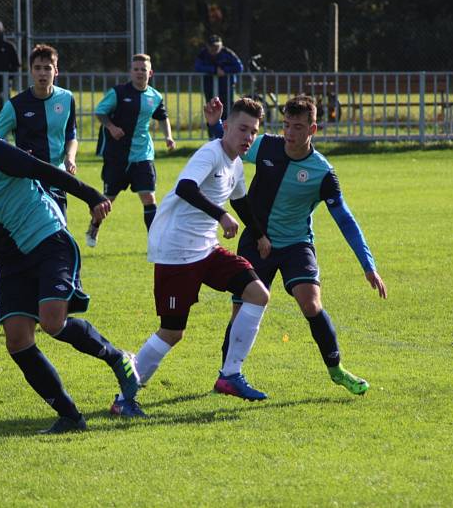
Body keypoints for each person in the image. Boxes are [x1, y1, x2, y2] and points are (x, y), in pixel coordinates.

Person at [0, 100, 140, 434]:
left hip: (47, 237)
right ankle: (70, 417)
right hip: (11, 258)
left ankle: (116, 357)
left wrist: (92, 195)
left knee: (52, 321)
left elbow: (43, 171)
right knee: (17, 340)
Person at [205, 95, 387, 396]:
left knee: (311, 303)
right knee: (240, 312)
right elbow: (227, 146)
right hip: (256, 239)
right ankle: (227, 376)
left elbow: (345, 218)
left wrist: (368, 266)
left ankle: (336, 369)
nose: (290, 133)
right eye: (287, 125)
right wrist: (214, 124)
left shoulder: (322, 172)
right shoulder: (266, 145)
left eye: (298, 127)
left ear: (312, 129)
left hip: (296, 244)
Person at [110, 98, 271, 418]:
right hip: (176, 252)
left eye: (253, 132)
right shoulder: (210, 153)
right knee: (172, 332)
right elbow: (185, 188)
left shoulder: (236, 164)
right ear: (226, 127)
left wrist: (260, 234)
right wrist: (221, 216)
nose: (248, 137)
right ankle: (123, 399)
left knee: (257, 294)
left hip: (205, 249)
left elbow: (241, 203)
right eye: (242, 129)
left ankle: (230, 376)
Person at [0, 44, 78, 271]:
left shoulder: (67, 99)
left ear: (56, 71)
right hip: (27, 181)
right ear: (30, 71)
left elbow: (71, 135)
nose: (43, 73)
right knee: (23, 233)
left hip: (57, 177)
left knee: (58, 231)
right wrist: (14, 158)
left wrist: (70, 157)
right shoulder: (15, 105)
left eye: (48, 68)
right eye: (38, 68)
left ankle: (60, 280)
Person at [86, 53, 175, 248]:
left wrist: (168, 136)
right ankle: (94, 225)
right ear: (130, 72)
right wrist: (111, 127)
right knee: (108, 200)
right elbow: (100, 111)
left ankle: (155, 241)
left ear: (150, 73)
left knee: (149, 196)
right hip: (117, 155)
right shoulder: (118, 92)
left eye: (143, 69)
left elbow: (162, 117)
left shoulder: (155, 96)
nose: (139, 72)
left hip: (143, 154)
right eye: (136, 69)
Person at [194, 35, 243, 132]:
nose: (214, 49)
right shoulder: (203, 54)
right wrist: (214, 70)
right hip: (209, 86)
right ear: (207, 46)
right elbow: (197, 67)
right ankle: (212, 136)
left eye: (216, 47)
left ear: (221, 45)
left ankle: (227, 135)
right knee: (211, 110)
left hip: (226, 87)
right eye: (211, 47)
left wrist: (225, 70)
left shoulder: (227, 53)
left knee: (228, 110)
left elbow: (239, 67)